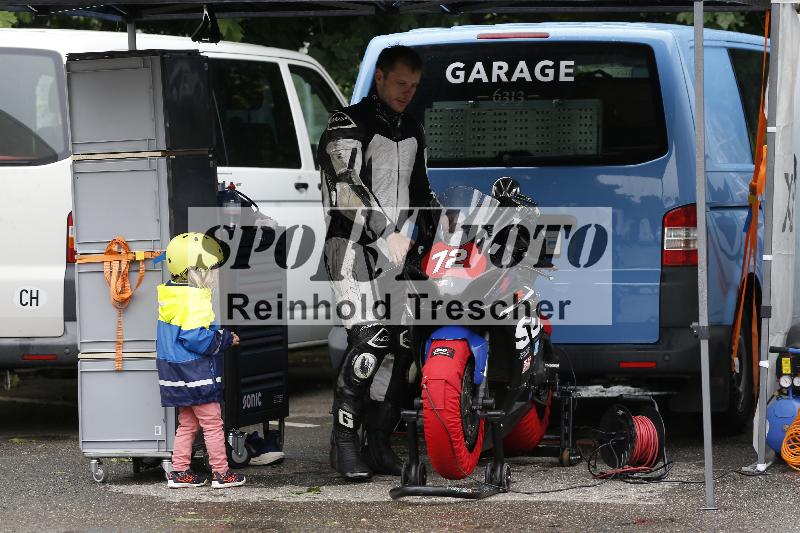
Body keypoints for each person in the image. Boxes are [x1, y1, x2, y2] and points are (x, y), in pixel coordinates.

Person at [318, 45, 439, 480]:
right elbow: (346, 186)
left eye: (415, 86)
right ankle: (344, 444)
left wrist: (442, 233)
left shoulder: (413, 127)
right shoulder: (346, 123)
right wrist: (386, 232)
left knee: (403, 347)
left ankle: (380, 442)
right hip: (349, 248)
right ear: (380, 78)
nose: (408, 93)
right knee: (370, 339)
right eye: (401, 84)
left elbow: (422, 191)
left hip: (398, 253)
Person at [156, 232, 246, 489]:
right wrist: (225, 339)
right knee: (213, 423)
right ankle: (221, 472)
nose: (215, 275)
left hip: (174, 372)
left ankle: (180, 471)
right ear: (195, 272)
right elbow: (196, 337)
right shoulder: (194, 300)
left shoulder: (171, 295)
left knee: (187, 423)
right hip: (195, 372)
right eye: (211, 270)